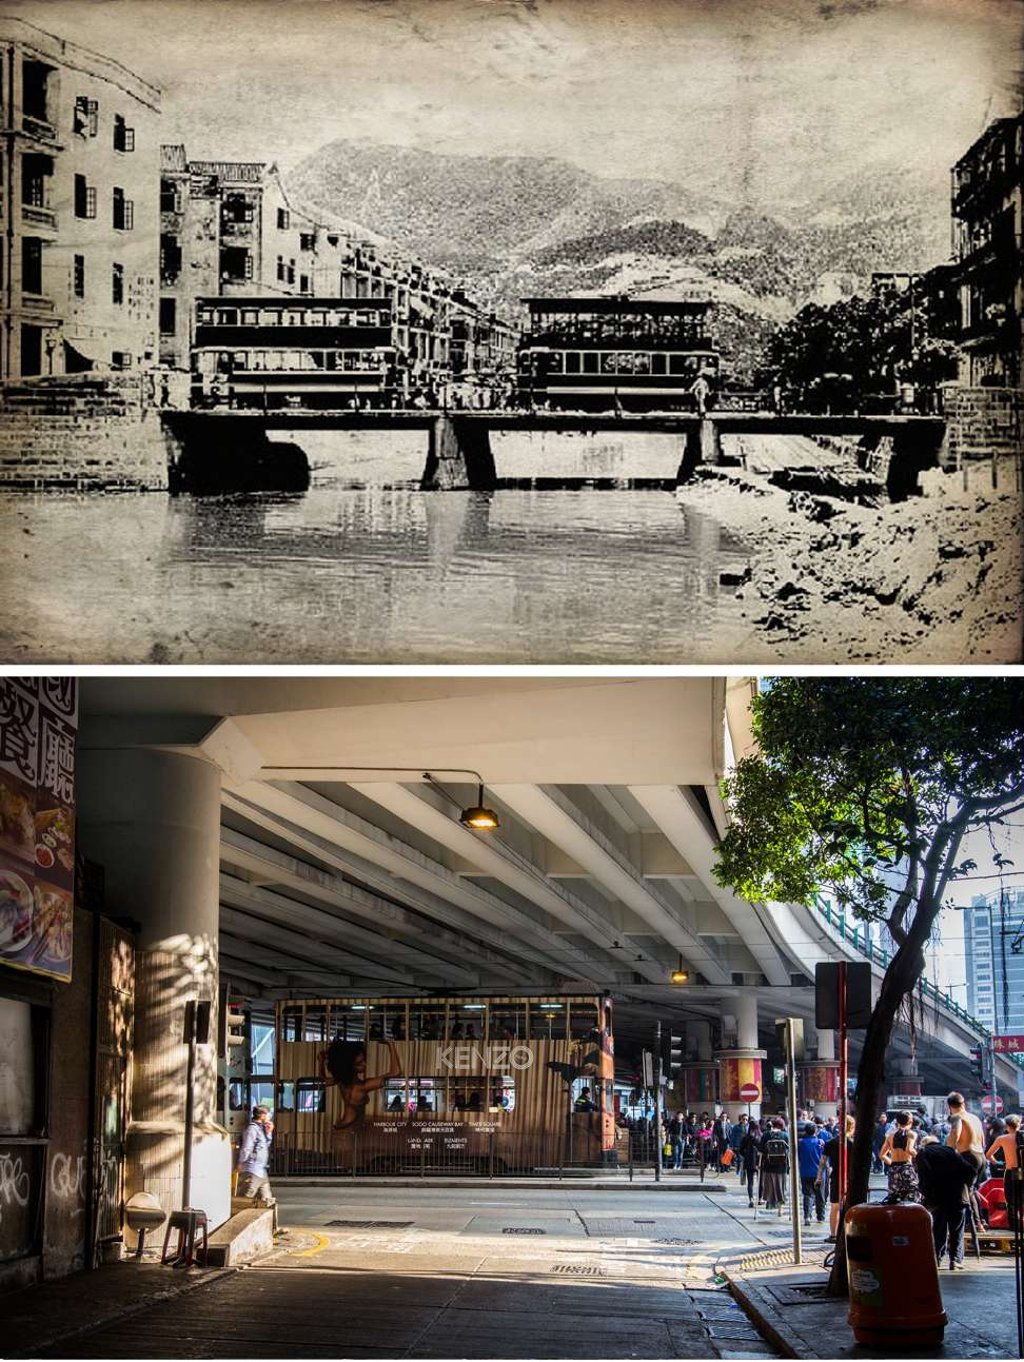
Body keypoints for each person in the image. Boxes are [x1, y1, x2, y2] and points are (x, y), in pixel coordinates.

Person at [319, 1035, 402, 1130]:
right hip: (352, 1125)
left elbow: (323, 1081)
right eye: (359, 1063)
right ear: (349, 1067)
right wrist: (390, 1044)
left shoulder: (340, 1080)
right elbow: (395, 1073)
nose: (365, 1064)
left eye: (364, 1060)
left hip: (343, 1123)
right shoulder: (361, 1087)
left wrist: (321, 1062)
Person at [917, 1134, 975, 1269]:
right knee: (957, 1229)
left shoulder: (923, 1153)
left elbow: (924, 1176)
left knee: (939, 1229)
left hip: (938, 1197)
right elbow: (971, 1171)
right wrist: (968, 1188)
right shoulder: (951, 1151)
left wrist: (927, 1195)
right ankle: (955, 1260)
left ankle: (936, 1258)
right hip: (959, 1195)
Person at [819, 1115, 855, 1240]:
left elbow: (822, 1162)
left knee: (834, 1206)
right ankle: (847, 1234)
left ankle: (833, 1234)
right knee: (849, 1207)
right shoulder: (853, 1144)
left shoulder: (831, 1143)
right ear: (852, 1127)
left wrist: (818, 1177)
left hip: (836, 1177)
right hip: (851, 1178)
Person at [986, 1113, 1022, 1230]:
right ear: (1019, 1124)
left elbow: (988, 1155)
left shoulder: (1002, 1139)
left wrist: (998, 1163)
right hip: (1022, 1170)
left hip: (1011, 1171)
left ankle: (1014, 1226)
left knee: (1011, 1199)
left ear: (1006, 1125)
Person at [237, 1105, 274, 1206]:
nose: (269, 1115)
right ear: (262, 1115)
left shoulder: (261, 1128)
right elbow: (246, 1147)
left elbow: (265, 1145)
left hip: (261, 1171)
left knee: (266, 1201)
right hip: (251, 1170)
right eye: (268, 1113)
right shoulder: (252, 1129)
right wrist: (241, 1163)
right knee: (244, 1200)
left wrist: (269, 1133)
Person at [880, 1109, 920, 1203]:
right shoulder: (911, 1134)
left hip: (893, 1169)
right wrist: (920, 1156)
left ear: (897, 1121)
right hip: (906, 1167)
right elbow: (909, 1149)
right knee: (913, 1198)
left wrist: (892, 1163)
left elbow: (882, 1155)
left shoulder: (890, 1136)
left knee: (895, 1199)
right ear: (910, 1121)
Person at [946, 1091, 986, 1184]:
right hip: (980, 1156)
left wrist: (947, 1153)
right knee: (973, 1190)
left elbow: (955, 1135)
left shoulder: (956, 1117)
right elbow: (983, 1141)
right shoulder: (974, 1117)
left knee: (963, 1192)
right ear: (963, 1104)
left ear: (949, 1107)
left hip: (968, 1156)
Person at [798, 1123, 826, 1226]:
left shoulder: (801, 1143)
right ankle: (820, 1216)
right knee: (820, 1195)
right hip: (818, 1172)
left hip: (805, 1172)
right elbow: (824, 1157)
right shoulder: (820, 1142)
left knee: (807, 1195)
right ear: (815, 1131)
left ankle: (807, 1216)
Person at [761, 1118, 789, 1212]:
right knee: (781, 1186)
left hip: (768, 1165)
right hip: (782, 1166)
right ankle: (780, 1208)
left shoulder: (766, 1135)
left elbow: (761, 1149)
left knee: (770, 1186)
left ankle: (770, 1203)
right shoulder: (785, 1135)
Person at [739, 1119, 761, 1207]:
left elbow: (741, 1150)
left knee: (750, 1181)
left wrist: (746, 1155)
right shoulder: (760, 1137)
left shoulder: (746, 1137)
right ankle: (759, 1198)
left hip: (748, 1161)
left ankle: (751, 1198)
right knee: (760, 1181)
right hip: (759, 1161)